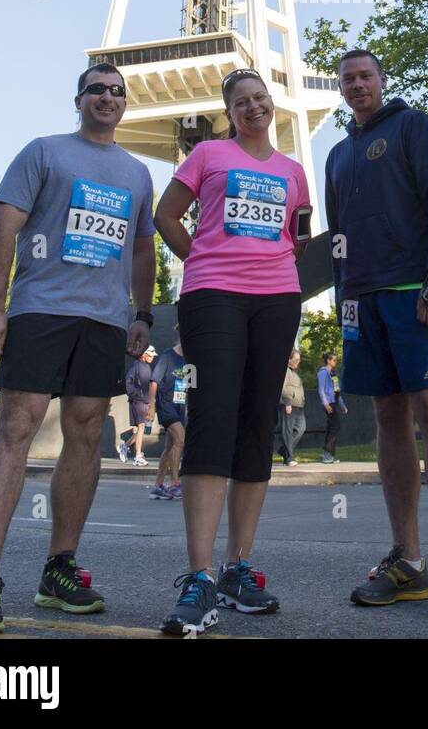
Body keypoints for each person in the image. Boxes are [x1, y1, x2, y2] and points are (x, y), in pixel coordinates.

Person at [0, 63, 156, 634]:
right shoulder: (43, 151)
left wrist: (140, 313)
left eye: (118, 92)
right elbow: (5, 228)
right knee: (17, 427)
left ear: (124, 104)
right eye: (98, 89)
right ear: (78, 98)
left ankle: (58, 570)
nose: (108, 98)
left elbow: (142, 252)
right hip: (41, 310)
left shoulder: (138, 174)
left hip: (103, 322)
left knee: (88, 432)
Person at [325, 48, 428, 620]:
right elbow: (337, 237)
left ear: (381, 81)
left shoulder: (413, 126)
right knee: (388, 420)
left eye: (366, 76)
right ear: (341, 89)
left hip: (414, 295)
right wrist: (343, 303)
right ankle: (410, 563)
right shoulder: (339, 154)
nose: (357, 85)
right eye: (348, 79)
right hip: (361, 304)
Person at [154, 68, 311, 636]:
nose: (253, 107)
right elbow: (164, 215)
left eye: (260, 98)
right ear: (230, 111)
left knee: (255, 426)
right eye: (241, 101)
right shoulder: (208, 155)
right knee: (212, 420)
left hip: (276, 300)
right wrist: (201, 258)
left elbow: (298, 236)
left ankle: (236, 568)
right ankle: (197, 576)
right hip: (212, 298)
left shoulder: (294, 172)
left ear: (272, 106)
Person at [148, 338, 188, 499]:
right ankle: (175, 484)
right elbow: (154, 382)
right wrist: (151, 406)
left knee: (170, 446)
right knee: (180, 440)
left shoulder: (190, 361)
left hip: (180, 408)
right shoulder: (167, 356)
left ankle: (158, 486)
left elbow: (191, 387)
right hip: (166, 405)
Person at [119, 346, 156, 466]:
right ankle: (138, 456)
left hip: (146, 402)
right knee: (141, 426)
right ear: (144, 354)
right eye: (150, 355)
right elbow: (128, 382)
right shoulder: (136, 365)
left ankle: (124, 446)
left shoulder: (147, 367)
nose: (152, 357)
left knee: (143, 428)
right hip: (138, 402)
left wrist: (151, 401)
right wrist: (137, 394)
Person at [316, 352, 347, 463]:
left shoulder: (333, 374)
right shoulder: (323, 373)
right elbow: (321, 390)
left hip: (334, 403)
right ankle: (326, 452)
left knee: (332, 428)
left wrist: (342, 405)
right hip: (328, 404)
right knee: (336, 426)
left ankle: (329, 455)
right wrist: (326, 404)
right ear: (328, 360)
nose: (335, 362)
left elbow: (337, 391)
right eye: (334, 360)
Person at [277, 349, 306, 467]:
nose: (298, 362)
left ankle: (284, 450)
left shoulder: (295, 373)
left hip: (299, 406)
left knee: (301, 429)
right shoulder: (284, 371)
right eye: (296, 359)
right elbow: (282, 388)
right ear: (289, 360)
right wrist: (287, 403)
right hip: (289, 405)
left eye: (299, 360)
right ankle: (289, 458)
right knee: (287, 431)